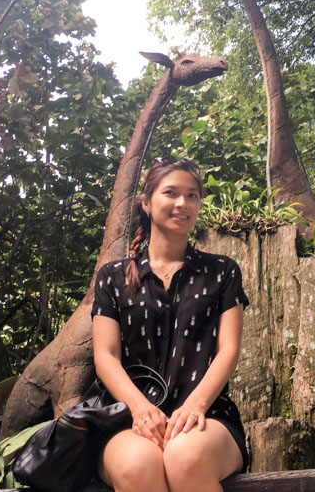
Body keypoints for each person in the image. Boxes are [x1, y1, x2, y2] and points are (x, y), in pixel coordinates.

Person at [91, 156, 249, 492]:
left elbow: (229, 349)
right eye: (171, 193)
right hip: (125, 416)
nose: (183, 203)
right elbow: (105, 355)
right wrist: (141, 409)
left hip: (207, 414)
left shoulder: (222, 272)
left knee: (185, 456)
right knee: (138, 465)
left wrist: (195, 404)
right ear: (147, 203)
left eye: (192, 195)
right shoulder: (112, 278)